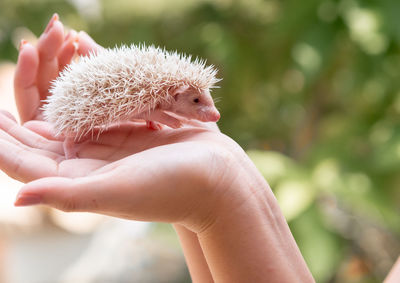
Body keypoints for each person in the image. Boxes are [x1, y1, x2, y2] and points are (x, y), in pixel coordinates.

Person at [0, 14, 398, 282]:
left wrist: (224, 194)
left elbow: (163, 118)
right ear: (174, 94)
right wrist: (207, 203)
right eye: (197, 104)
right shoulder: (157, 98)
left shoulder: (166, 100)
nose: (211, 114)